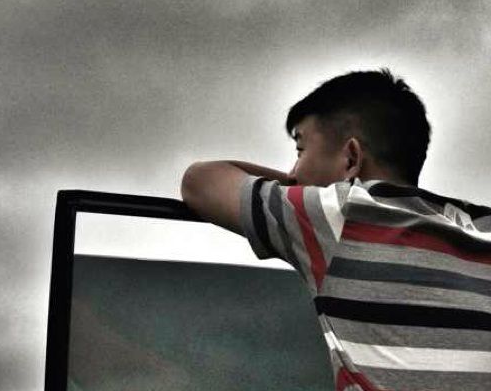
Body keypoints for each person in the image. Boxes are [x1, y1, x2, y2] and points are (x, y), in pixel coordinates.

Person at [181, 69, 491, 391]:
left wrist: (295, 187)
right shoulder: (482, 225)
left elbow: (200, 181)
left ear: (351, 158)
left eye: (300, 151)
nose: (293, 171)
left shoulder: (342, 214)